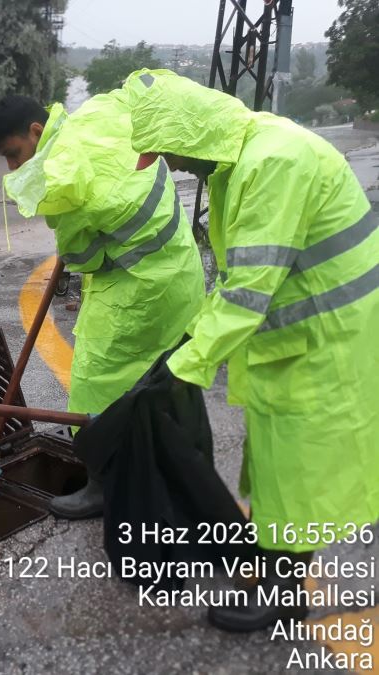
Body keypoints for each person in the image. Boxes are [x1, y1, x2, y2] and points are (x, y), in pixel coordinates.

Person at [128, 69, 379, 631]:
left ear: (191, 136)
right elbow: (239, 276)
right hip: (305, 334)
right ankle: (274, 575)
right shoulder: (243, 157)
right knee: (276, 465)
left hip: (322, 341)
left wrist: (183, 367)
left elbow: (247, 292)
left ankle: (285, 595)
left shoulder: (273, 165)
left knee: (295, 472)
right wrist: (189, 344)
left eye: (170, 154)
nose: (175, 167)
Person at [0, 88, 205, 518]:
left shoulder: (66, 176)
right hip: (181, 273)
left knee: (92, 384)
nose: (14, 167)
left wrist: (79, 237)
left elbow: (85, 258)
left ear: (36, 131)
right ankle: (183, 473)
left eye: (14, 154)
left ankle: (104, 486)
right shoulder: (97, 121)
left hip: (140, 292)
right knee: (166, 377)